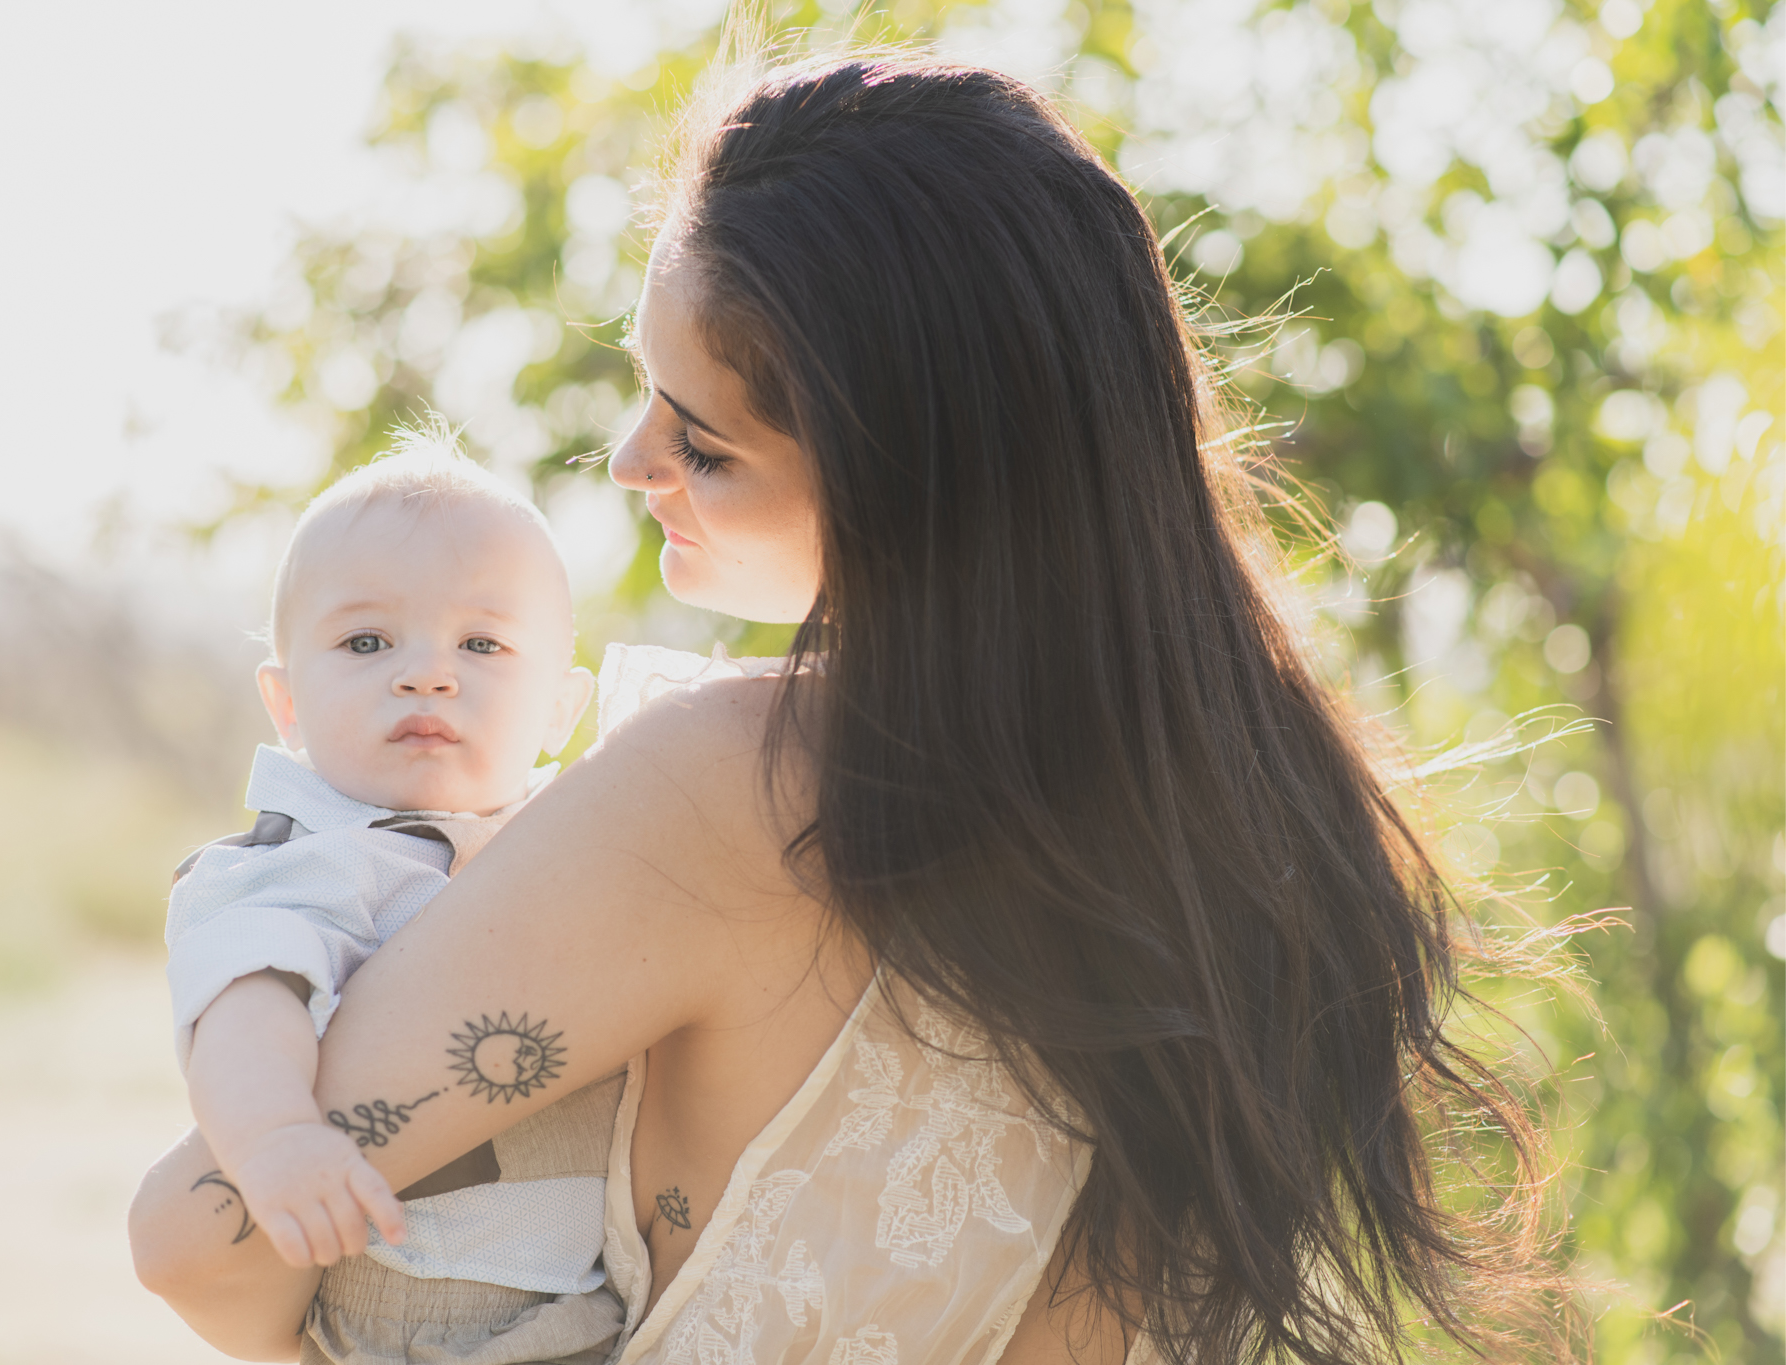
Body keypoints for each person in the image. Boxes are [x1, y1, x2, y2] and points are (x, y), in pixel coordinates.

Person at [132, 53, 1567, 1365]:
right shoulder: (1245, 827)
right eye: (646, 393)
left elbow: (203, 1231)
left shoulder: (730, 792)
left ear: (912, 479)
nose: (633, 461)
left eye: (703, 441)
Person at [162, 439, 628, 1364]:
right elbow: (246, 1000)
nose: (427, 673)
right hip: (410, 1310)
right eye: (367, 642)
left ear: (561, 710)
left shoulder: (571, 830)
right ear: (287, 703)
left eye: (482, 643)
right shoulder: (318, 858)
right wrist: (278, 1139)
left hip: (590, 1303)